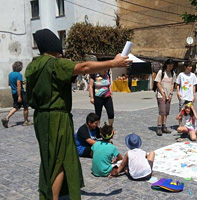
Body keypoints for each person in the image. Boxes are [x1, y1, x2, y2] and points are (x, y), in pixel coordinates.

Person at [25, 28, 131, 200]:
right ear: (55, 45)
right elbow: (84, 66)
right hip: (57, 118)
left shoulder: (33, 66)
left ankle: (53, 192)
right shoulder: (54, 64)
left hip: (41, 118)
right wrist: (114, 63)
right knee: (60, 159)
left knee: (48, 158)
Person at [1, 61, 33, 128]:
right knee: (26, 106)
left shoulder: (10, 74)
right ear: (20, 68)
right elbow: (18, 85)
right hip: (20, 92)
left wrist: (22, 83)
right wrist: (19, 96)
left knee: (16, 106)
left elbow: (9, 84)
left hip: (13, 92)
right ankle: (26, 121)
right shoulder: (19, 75)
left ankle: (6, 118)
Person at [155, 58, 176, 136]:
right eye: (170, 65)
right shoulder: (161, 72)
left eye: (172, 66)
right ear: (166, 65)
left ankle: (164, 126)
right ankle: (159, 127)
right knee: (162, 111)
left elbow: (172, 84)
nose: (171, 67)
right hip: (161, 95)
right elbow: (158, 83)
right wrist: (163, 93)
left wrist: (171, 93)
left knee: (166, 112)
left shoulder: (172, 73)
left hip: (168, 95)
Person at [176, 61, 197, 126]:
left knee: (190, 110)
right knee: (181, 111)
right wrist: (178, 92)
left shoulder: (193, 75)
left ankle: (190, 124)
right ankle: (180, 125)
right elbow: (178, 84)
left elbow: (194, 85)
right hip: (182, 95)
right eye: (189, 66)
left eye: (191, 66)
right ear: (185, 67)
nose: (190, 67)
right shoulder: (181, 75)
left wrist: (194, 95)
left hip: (190, 96)